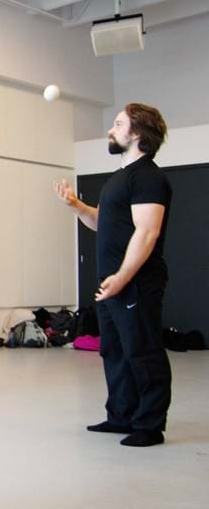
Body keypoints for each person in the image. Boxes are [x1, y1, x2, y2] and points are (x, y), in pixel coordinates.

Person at [54, 103, 172, 448]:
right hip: (111, 283)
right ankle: (122, 415)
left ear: (136, 133)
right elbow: (100, 222)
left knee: (143, 350)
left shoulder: (148, 176)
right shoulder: (120, 178)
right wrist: (76, 206)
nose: (111, 129)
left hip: (135, 282)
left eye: (118, 124)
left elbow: (147, 233)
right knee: (116, 351)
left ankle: (150, 425)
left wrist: (122, 276)